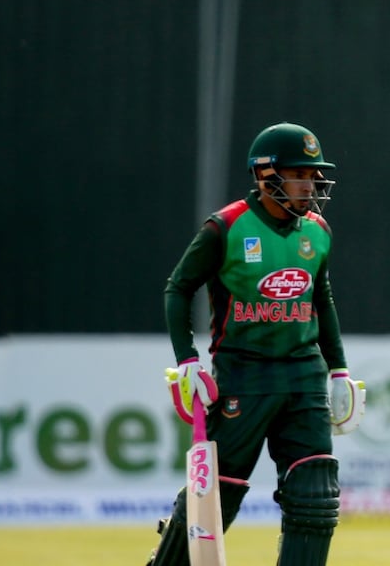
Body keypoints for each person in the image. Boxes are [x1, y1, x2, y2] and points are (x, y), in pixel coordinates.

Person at [146, 122, 366, 566]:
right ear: (266, 176)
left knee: (315, 495)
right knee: (217, 494)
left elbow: (320, 298)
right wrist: (187, 359)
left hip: (304, 376)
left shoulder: (318, 231)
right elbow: (178, 288)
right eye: (300, 175)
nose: (311, 185)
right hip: (243, 375)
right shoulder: (226, 227)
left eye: (313, 176)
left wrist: (338, 368)